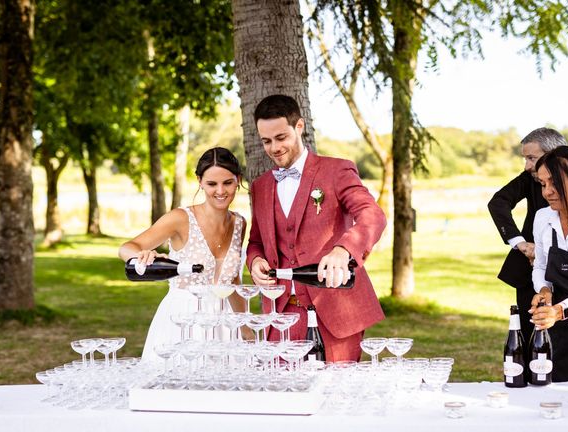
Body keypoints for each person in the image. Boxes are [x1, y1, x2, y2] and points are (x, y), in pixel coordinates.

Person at [246, 94, 387, 362]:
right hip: (282, 317)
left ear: (299, 127)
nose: (274, 148)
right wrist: (254, 261)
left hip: (336, 311)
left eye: (281, 137)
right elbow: (256, 241)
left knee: (337, 397)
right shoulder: (260, 186)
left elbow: (372, 214)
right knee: (283, 398)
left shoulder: (336, 171)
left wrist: (343, 250)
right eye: (266, 141)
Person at [119, 147, 247, 359]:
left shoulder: (240, 223)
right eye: (211, 184)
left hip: (225, 326)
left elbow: (233, 281)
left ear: (238, 180)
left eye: (228, 182)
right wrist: (140, 257)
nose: (220, 191)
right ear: (200, 182)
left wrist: (245, 328)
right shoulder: (181, 218)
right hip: (182, 323)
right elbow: (126, 247)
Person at [488, 128, 567, 340]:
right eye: (525, 158)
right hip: (529, 271)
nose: (527, 166)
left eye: (531, 158)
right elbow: (498, 202)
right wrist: (521, 244)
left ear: (556, 154)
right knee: (528, 335)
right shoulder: (529, 177)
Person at [530, 145, 568, 382]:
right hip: (561, 329)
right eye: (543, 184)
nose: (548, 192)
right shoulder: (543, 218)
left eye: (555, 182)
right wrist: (544, 290)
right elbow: (541, 266)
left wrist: (559, 310)